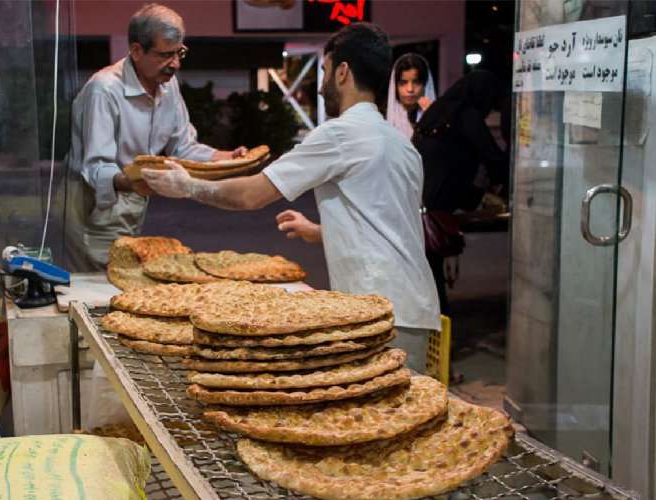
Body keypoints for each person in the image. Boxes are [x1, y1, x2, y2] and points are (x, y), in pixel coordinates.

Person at [141, 22, 441, 373]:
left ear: (343, 73)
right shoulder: (400, 143)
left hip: (377, 310)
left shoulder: (341, 134)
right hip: (415, 308)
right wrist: (319, 230)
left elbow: (252, 195)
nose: (319, 87)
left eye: (325, 72)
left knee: (374, 419)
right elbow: (389, 219)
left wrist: (187, 185)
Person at [65, 3, 246, 271]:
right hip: (97, 202)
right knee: (104, 284)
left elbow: (182, 146)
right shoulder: (104, 91)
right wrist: (132, 182)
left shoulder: (167, 84)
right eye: (165, 55)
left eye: (179, 53)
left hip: (134, 194)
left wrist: (225, 158)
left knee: (126, 279)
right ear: (136, 51)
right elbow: (96, 166)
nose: (175, 64)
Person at [411, 70, 510, 318]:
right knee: (433, 275)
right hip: (437, 204)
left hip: (419, 199)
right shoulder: (466, 116)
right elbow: (493, 157)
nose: (490, 110)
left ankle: (432, 328)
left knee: (428, 274)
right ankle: (437, 330)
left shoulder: (436, 113)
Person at [386, 53, 436, 140]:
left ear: (425, 84)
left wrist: (432, 117)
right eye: (403, 83)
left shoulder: (439, 118)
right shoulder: (383, 120)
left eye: (416, 82)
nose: (410, 89)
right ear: (395, 86)